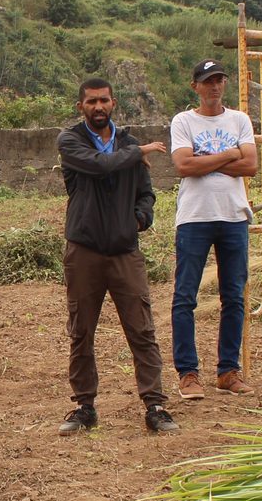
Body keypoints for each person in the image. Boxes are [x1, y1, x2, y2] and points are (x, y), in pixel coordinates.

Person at [57, 78, 177, 435]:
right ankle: (84, 406)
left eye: (104, 100)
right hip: (84, 251)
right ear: (80, 106)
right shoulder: (71, 141)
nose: (98, 107)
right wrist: (139, 152)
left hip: (125, 252)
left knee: (142, 329)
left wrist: (139, 219)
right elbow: (100, 165)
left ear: (114, 103)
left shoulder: (128, 143)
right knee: (81, 331)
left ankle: (155, 406)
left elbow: (146, 193)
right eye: (91, 101)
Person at [170, 60, 258, 400]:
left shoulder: (239, 119)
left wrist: (205, 159)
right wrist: (230, 154)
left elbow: (250, 165)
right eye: (208, 81)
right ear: (195, 86)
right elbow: (183, 165)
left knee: (233, 296)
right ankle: (188, 373)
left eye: (219, 80)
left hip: (233, 216)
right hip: (194, 217)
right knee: (185, 297)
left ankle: (228, 371)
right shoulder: (183, 121)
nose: (215, 86)